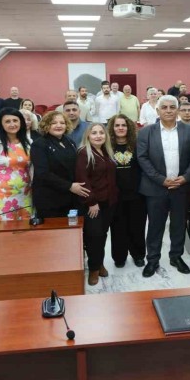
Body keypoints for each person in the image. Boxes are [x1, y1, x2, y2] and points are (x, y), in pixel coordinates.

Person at [137, 95, 190, 277]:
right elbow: (142, 158)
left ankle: (176, 256)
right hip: (155, 187)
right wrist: (160, 179)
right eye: (164, 107)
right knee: (155, 225)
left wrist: (185, 177)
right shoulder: (146, 132)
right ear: (158, 110)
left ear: (177, 110)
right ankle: (152, 259)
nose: (168, 110)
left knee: (178, 224)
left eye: (172, 107)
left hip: (180, 187)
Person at [76, 123, 117, 286]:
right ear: (88, 135)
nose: (98, 136)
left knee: (103, 234)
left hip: (109, 202)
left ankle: (99, 263)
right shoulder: (83, 153)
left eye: (101, 132)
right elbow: (82, 179)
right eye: (94, 133)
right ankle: (93, 269)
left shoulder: (106, 151)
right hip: (93, 204)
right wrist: (91, 202)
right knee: (94, 236)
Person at [31, 111, 88, 219]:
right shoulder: (39, 144)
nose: (59, 125)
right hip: (50, 199)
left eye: (62, 123)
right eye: (54, 123)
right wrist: (69, 186)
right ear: (46, 125)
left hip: (70, 198)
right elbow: (43, 173)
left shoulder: (69, 141)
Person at [0, 108, 34, 221]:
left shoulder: (28, 142)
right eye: (7, 121)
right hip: (1, 194)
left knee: (26, 227)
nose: (12, 124)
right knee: (3, 228)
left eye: (15, 120)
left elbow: (32, 169)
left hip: (26, 193)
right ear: (1, 124)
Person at [108, 114, 147, 268]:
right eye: (117, 125)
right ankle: (119, 257)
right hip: (115, 196)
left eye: (123, 125)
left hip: (137, 194)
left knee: (137, 226)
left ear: (129, 127)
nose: (120, 128)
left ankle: (138, 255)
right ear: (112, 128)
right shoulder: (107, 146)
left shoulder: (137, 145)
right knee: (118, 227)